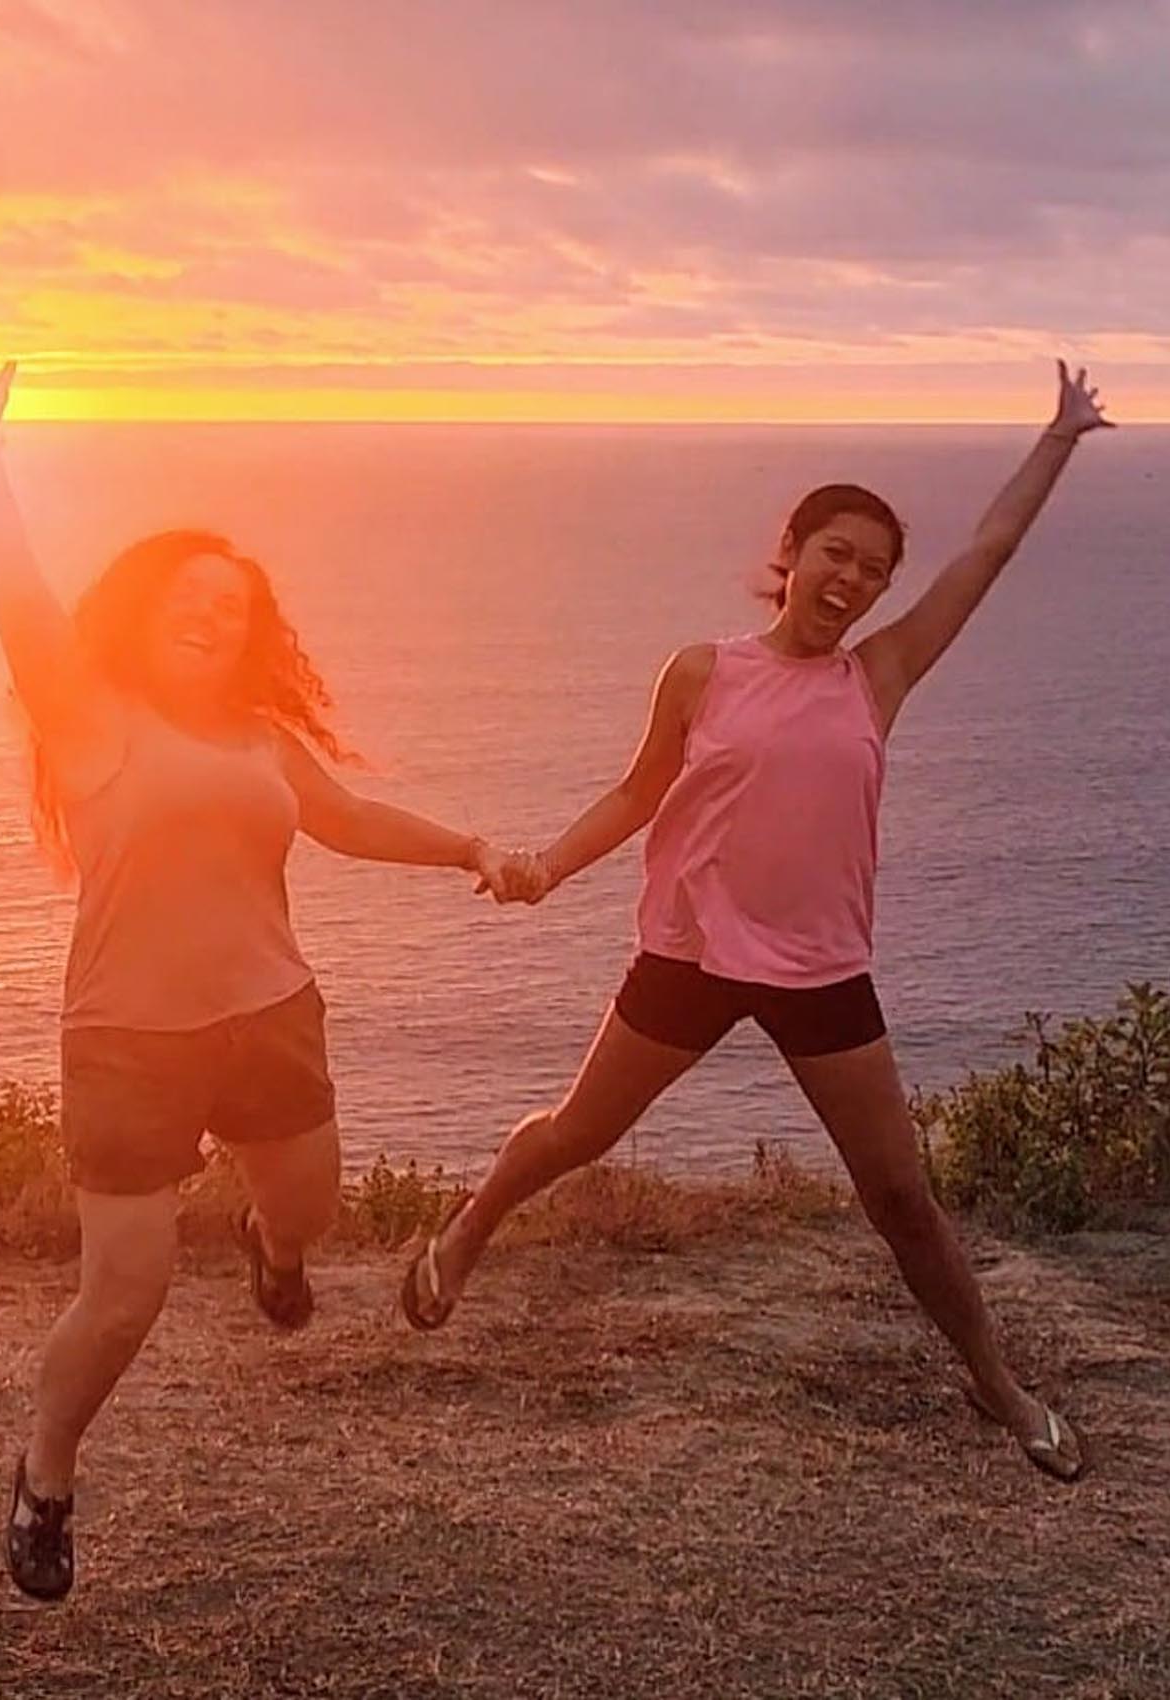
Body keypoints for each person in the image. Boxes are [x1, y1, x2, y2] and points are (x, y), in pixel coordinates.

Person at [402, 360, 1114, 1483]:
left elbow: (987, 552)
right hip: (689, 955)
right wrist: (546, 867)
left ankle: (996, 1380)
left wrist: (1060, 435)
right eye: (836, 553)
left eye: (874, 570)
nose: (853, 580)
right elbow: (638, 794)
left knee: (901, 1198)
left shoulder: (879, 675)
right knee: (576, 1134)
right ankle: (467, 1227)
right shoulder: (702, 672)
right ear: (792, 550)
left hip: (820, 969)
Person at [0, 323, 510, 1600]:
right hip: (131, 1039)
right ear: (145, 609)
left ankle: (273, 1253)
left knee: (311, 1212)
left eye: (230, 608)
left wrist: (468, 848)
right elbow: (17, 592)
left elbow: (347, 817)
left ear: (249, 636)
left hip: (271, 1014)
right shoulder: (87, 714)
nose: (208, 616)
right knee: (125, 1293)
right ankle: (47, 1472)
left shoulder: (261, 740)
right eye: (188, 596)